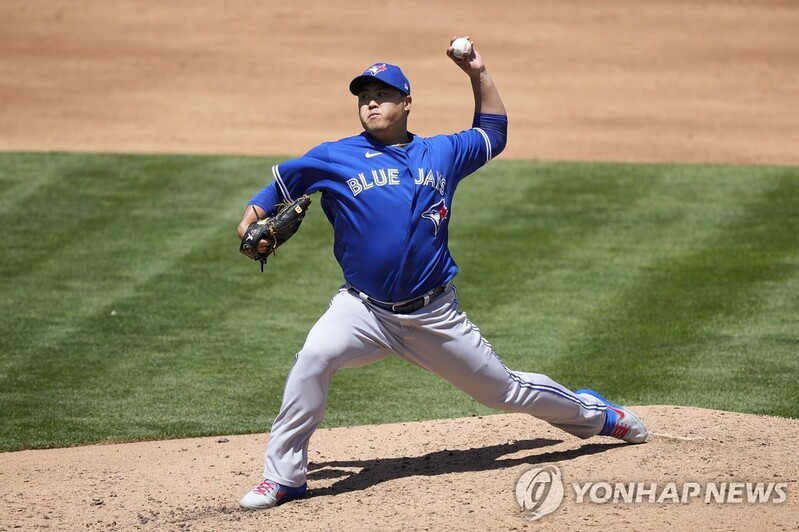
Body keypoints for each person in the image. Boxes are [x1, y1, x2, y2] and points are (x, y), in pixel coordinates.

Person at [236, 37, 648, 510]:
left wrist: (478, 72)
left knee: (503, 390)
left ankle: (597, 415)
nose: (371, 101)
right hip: (362, 309)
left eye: (383, 93)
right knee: (313, 359)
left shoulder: (442, 153)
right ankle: (283, 477)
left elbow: (494, 132)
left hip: (434, 314)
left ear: (407, 102)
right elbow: (278, 186)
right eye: (364, 95)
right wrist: (251, 217)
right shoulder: (335, 155)